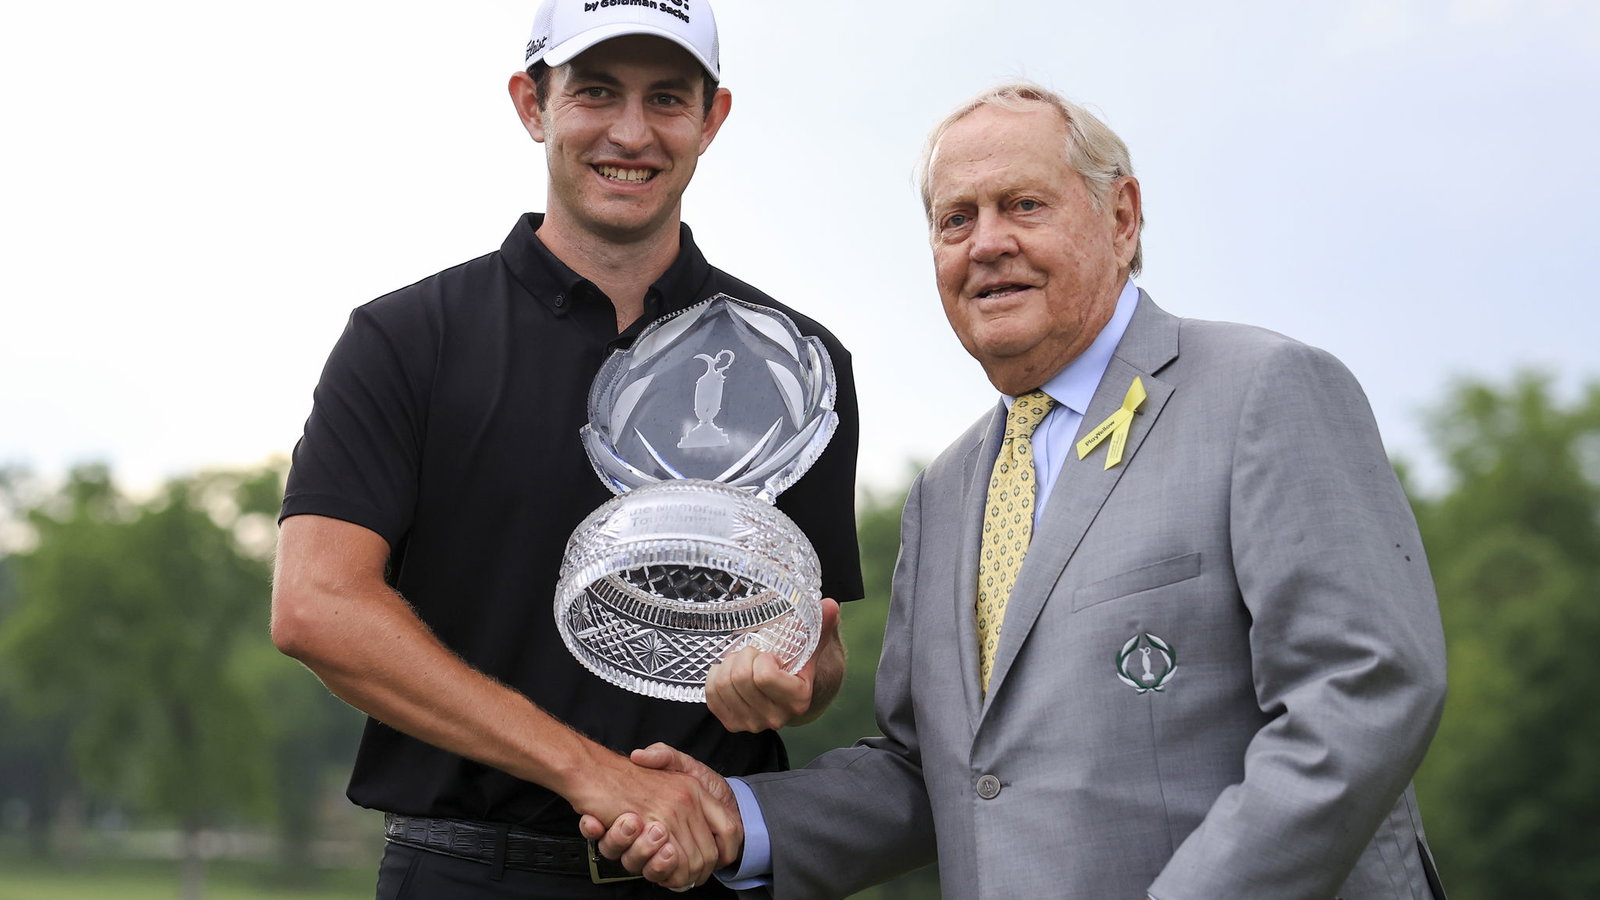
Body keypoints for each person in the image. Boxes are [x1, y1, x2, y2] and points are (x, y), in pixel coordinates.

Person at [589, 82, 1449, 899]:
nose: (986, 242)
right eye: (955, 219)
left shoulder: (1264, 390)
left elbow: (1362, 692)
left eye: (1024, 206)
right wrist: (739, 817)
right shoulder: (947, 490)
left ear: (1122, 217)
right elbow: (941, 771)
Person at [268, 2, 862, 897]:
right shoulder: (407, 339)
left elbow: (816, 654)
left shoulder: (796, 366)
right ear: (530, 104)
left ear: (713, 118)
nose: (631, 132)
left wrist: (792, 681)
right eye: (593, 92)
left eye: (667, 98)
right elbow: (316, 606)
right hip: (468, 872)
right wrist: (592, 772)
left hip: (705, 869)